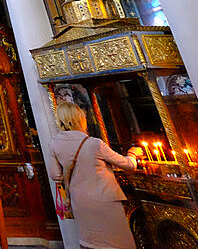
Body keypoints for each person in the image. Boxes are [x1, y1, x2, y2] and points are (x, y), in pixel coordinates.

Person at [50, 101, 141, 249]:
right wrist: (133, 153)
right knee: (117, 243)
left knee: (90, 243)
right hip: (104, 200)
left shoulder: (55, 144)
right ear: (80, 119)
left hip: (79, 202)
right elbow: (129, 166)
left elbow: (55, 175)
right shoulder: (94, 144)